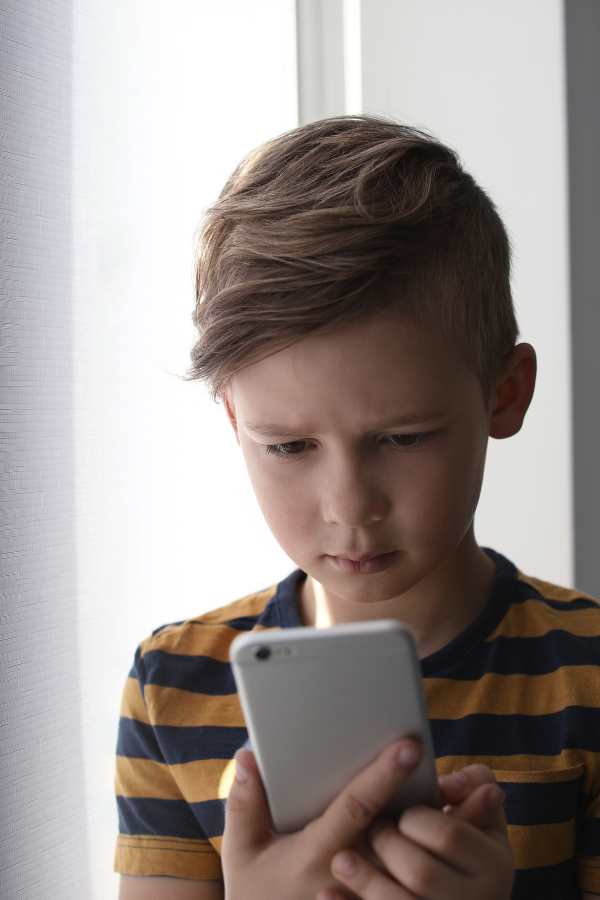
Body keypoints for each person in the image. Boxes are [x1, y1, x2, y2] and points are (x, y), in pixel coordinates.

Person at [114, 117, 600, 900]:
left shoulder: (588, 677)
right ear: (236, 422)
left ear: (503, 395)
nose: (351, 506)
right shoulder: (173, 688)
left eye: (403, 437)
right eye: (289, 447)